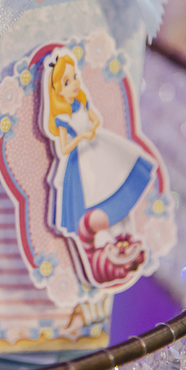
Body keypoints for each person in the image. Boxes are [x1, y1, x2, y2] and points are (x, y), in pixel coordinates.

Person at [43, 51, 154, 244]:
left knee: (115, 179)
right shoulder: (62, 117)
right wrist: (80, 137)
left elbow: (95, 119)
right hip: (80, 161)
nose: (75, 83)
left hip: (98, 146)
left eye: (75, 77)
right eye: (67, 82)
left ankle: (124, 230)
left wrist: (92, 129)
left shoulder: (81, 102)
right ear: (58, 90)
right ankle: (104, 237)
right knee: (93, 195)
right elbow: (63, 148)